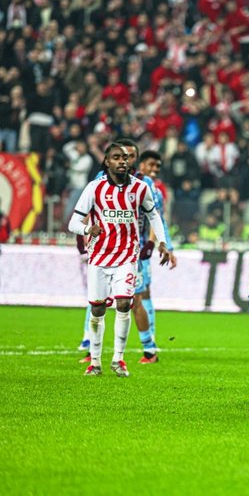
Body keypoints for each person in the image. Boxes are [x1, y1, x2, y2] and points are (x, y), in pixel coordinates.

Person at [68, 142, 170, 377]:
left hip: (127, 256)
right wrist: (87, 230)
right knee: (97, 308)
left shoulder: (140, 188)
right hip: (99, 257)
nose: (122, 161)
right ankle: (95, 362)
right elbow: (74, 222)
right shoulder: (94, 188)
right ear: (107, 162)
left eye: (125, 158)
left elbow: (154, 215)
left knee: (124, 303)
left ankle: (118, 359)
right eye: (116, 157)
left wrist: (162, 242)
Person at [133, 150, 177, 364]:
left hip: (140, 249)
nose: (154, 169)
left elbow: (158, 219)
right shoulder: (111, 182)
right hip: (114, 248)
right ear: (140, 164)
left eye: (158, 167)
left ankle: (150, 344)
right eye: (151, 165)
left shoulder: (154, 190)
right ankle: (88, 343)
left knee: (141, 293)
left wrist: (163, 245)